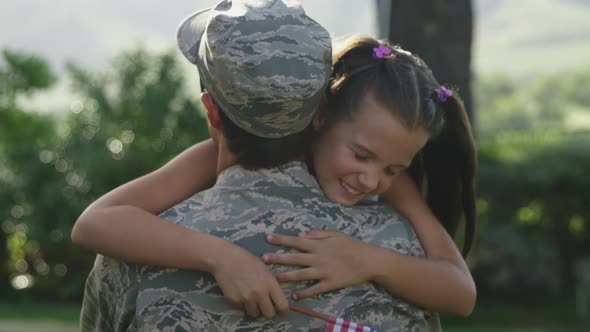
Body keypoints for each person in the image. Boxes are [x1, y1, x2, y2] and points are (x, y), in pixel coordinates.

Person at [74, 1, 476, 331]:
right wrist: (221, 257)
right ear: (321, 109)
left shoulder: (134, 256)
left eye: (392, 169)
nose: (374, 179)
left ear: (212, 111)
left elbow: (96, 223)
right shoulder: (404, 244)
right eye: (364, 157)